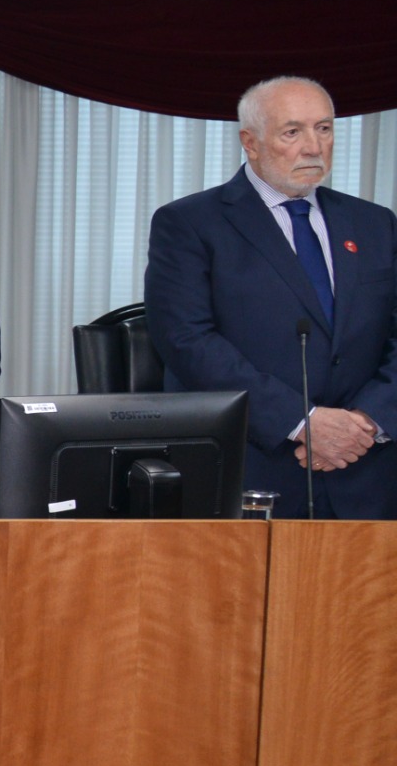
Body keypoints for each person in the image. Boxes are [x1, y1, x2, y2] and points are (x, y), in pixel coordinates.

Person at [145, 75, 397, 519]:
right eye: (292, 132)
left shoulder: (375, 223)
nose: (313, 147)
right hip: (253, 467)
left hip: (364, 468)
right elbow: (186, 340)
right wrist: (302, 423)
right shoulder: (189, 223)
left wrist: (366, 422)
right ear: (251, 142)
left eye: (324, 128)